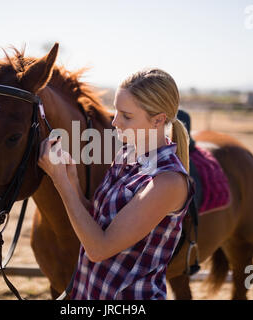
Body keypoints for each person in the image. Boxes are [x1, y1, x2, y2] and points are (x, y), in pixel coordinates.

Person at [38, 68, 195, 300]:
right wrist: (72, 180)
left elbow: (99, 248)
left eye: (127, 116)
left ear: (158, 120)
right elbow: (96, 219)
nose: (115, 122)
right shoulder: (126, 155)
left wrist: (60, 182)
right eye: (116, 111)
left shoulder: (167, 181)